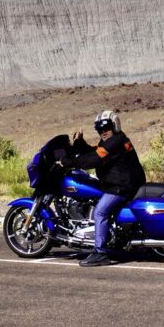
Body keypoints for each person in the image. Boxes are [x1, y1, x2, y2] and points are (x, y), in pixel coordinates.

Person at [70, 109, 145, 267]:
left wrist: (68, 163)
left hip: (121, 186)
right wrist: (79, 144)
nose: (103, 132)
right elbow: (96, 152)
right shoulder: (115, 140)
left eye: (106, 128)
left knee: (100, 212)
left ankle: (100, 253)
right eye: (100, 129)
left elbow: (95, 159)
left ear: (115, 126)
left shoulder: (115, 142)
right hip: (125, 183)